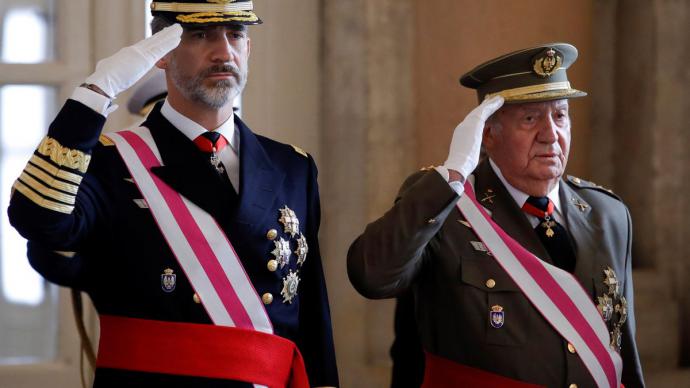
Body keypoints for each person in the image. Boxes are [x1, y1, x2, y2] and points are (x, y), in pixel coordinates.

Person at [8, 1, 338, 387]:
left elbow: (312, 312)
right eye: (200, 36)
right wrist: (97, 92)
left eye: (236, 35)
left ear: (249, 48)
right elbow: (37, 219)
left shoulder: (291, 166)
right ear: (160, 53)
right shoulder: (110, 163)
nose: (223, 52)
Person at [347, 43, 645, 388]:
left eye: (560, 115)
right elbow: (371, 274)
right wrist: (453, 176)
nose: (551, 135)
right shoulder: (446, 206)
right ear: (487, 133)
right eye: (530, 119)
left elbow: (624, 353)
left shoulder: (608, 213)